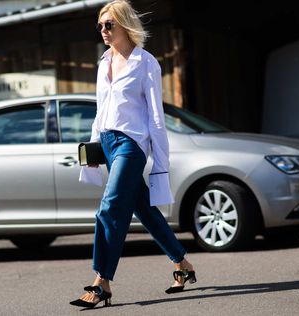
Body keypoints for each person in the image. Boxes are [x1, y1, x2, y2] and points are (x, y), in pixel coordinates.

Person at [70, 0, 196, 309]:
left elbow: (155, 116)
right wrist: (94, 145)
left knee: (109, 207)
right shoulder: (104, 62)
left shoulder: (145, 62)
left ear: (124, 25)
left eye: (108, 25)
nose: (103, 30)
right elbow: (101, 112)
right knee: (144, 210)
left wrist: (160, 163)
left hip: (131, 145)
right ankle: (182, 264)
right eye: (100, 26)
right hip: (110, 144)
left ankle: (101, 281)